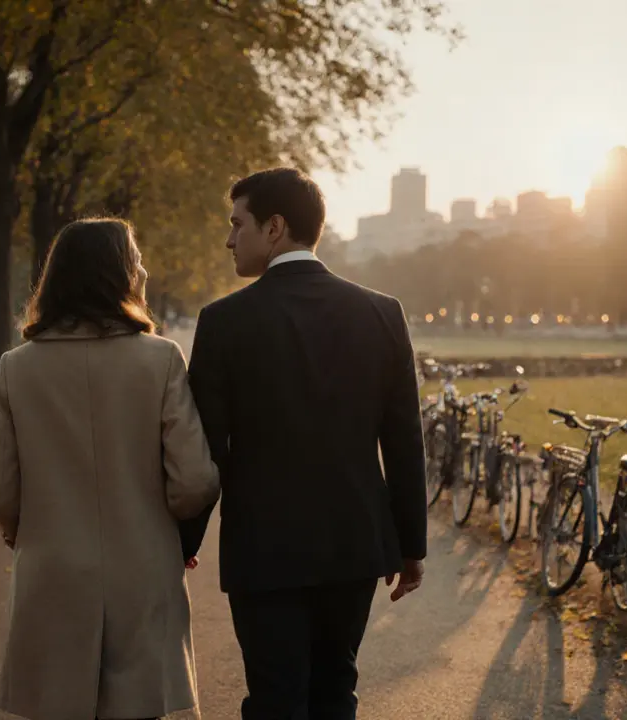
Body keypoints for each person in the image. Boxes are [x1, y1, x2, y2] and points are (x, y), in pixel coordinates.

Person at [179, 167, 428, 719]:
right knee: (336, 691)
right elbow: (404, 439)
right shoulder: (382, 313)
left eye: (236, 223)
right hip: (354, 544)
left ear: (274, 228)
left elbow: (207, 452)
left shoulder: (223, 322)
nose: (228, 239)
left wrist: (183, 543)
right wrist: (411, 545)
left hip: (264, 549)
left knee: (274, 698)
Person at [0, 218, 220, 720]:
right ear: (118, 275)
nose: (144, 269)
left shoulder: (15, 368)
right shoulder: (160, 360)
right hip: (143, 568)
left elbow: (4, 492)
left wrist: (18, 530)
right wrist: (172, 528)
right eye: (135, 260)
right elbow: (195, 480)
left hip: (52, 571)